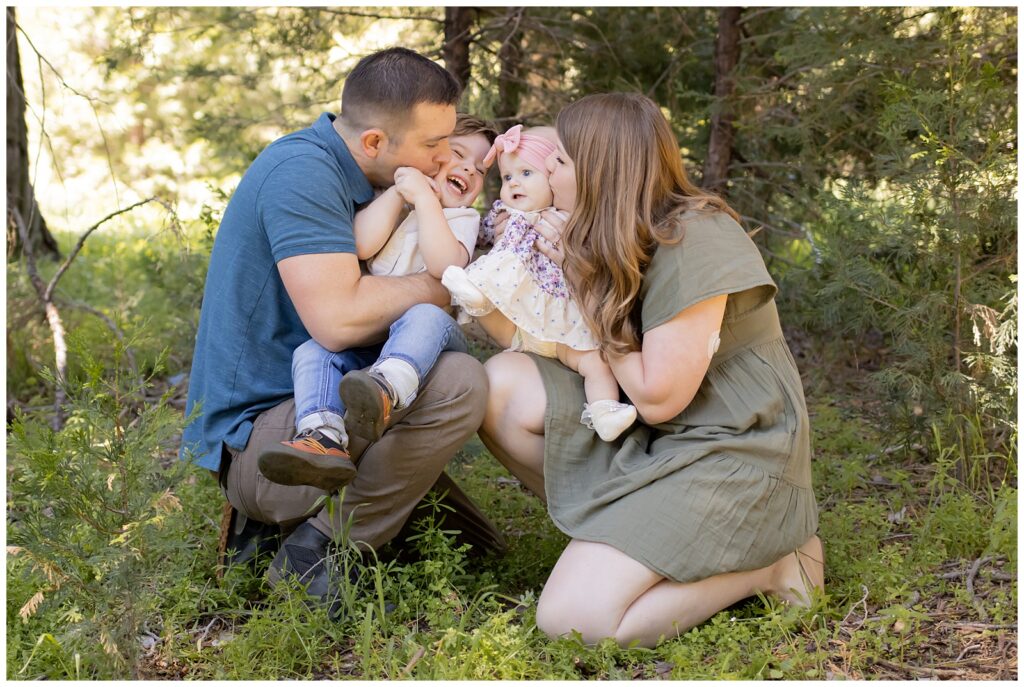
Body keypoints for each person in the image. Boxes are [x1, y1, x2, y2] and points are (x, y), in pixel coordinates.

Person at [479, 92, 824, 648]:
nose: (547, 171)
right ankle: (622, 534)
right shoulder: (603, 230)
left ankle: (775, 566)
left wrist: (585, 285)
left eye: (561, 162)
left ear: (602, 172)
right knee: (499, 386)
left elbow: (659, 397)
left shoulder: (696, 236)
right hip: (661, 440)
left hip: (732, 449)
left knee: (572, 621)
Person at [180, 47, 504, 614]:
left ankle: (305, 532)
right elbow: (338, 321)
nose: (441, 162)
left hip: (346, 398)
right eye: (433, 147)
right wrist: (446, 286)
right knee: (458, 380)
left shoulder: (381, 182)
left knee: (478, 550)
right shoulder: (302, 173)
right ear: (375, 142)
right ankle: (316, 552)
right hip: (268, 437)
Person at [255, 114, 495, 481]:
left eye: (479, 170)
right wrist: (401, 193)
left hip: (427, 341)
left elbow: (445, 265)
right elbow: (362, 244)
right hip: (374, 336)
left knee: (426, 314)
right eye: (458, 154)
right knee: (313, 351)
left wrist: (428, 204)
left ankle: (386, 391)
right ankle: (321, 435)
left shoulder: (462, 218)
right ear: (431, 156)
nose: (468, 169)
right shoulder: (393, 202)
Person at [443, 124, 637, 442]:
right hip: (517, 321)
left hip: (563, 329)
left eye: (526, 173)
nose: (514, 183)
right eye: (507, 178)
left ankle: (604, 410)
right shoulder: (508, 215)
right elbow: (480, 233)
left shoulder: (572, 221)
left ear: (552, 177)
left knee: (596, 362)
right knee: (501, 267)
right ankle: (475, 294)